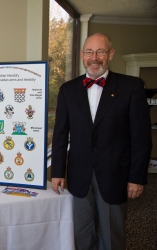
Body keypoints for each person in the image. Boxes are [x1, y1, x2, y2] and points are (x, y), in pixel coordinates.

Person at [51, 33, 152, 250]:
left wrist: (136, 178)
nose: (94, 57)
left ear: (111, 54)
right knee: (81, 233)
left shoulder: (132, 87)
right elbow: (60, 134)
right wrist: (58, 172)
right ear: (81, 55)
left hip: (116, 174)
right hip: (78, 175)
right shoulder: (68, 90)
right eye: (89, 52)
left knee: (112, 235)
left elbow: (141, 138)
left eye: (100, 52)